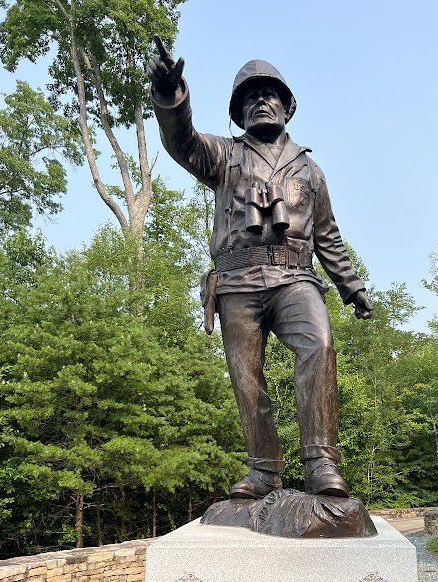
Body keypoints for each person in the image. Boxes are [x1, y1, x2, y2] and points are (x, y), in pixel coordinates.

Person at [147, 40, 373, 500]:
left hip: (295, 278)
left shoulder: (310, 170)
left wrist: (351, 286)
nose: (261, 102)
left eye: (270, 94)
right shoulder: (224, 155)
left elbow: (327, 234)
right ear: (239, 113)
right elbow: (182, 142)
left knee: (319, 345)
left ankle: (321, 463)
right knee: (245, 377)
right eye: (250, 98)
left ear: (288, 106)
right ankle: (264, 470)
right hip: (237, 282)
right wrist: (170, 96)